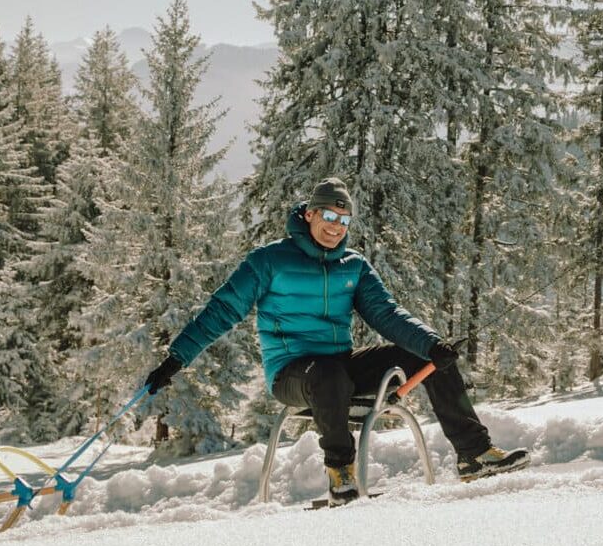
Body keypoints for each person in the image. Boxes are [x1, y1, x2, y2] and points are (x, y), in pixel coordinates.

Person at [144, 176, 529, 505]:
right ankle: (340, 470)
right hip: (293, 375)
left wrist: (430, 344)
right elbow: (221, 310)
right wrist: (177, 358)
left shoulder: (355, 266)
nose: (336, 226)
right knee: (327, 374)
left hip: (339, 368)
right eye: (329, 216)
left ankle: (474, 455)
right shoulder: (268, 261)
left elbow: (387, 313)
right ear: (309, 214)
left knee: (425, 356)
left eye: (344, 220)